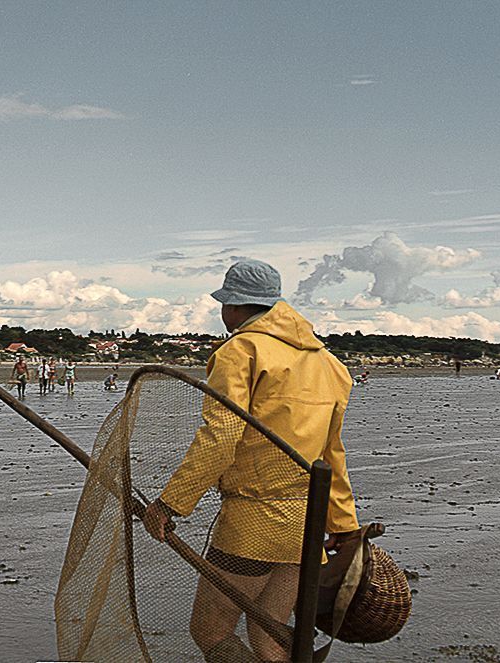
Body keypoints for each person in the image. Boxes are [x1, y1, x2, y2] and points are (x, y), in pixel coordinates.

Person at [141, 259, 359, 662]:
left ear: (235, 307)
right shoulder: (330, 364)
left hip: (253, 523)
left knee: (211, 631)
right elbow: (332, 454)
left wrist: (170, 503)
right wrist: (343, 524)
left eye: (224, 304)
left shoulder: (241, 350)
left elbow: (220, 438)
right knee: (268, 634)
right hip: (306, 524)